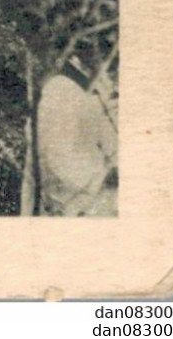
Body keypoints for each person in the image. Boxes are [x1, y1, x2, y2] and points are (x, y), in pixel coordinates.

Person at [36, 35, 118, 217]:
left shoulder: (88, 91)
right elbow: (59, 160)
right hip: (78, 203)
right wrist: (104, 177)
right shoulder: (61, 90)